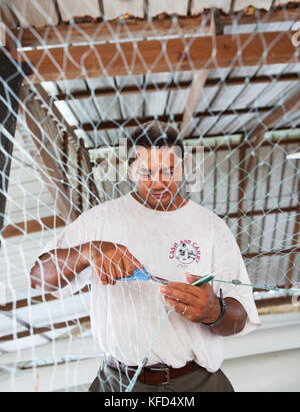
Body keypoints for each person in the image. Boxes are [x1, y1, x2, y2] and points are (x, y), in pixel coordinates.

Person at [30, 121, 261, 392]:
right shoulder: (99, 220)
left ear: (184, 167)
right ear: (129, 170)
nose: (159, 182)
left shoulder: (210, 226)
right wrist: (87, 252)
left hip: (198, 382)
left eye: (168, 171)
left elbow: (241, 317)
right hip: (118, 383)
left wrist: (214, 312)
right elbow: (38, 279)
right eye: (146, 172)